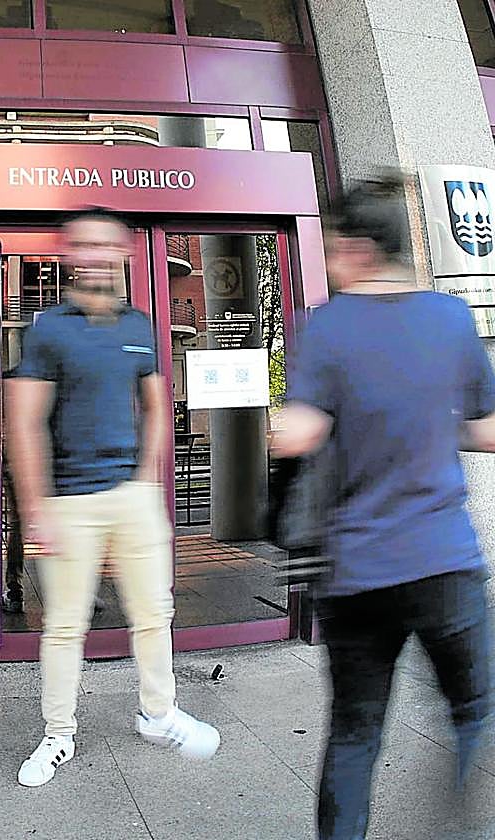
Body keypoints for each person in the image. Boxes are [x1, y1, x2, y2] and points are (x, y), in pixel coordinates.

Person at [272, 173, 495, 839]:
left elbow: (299, 435)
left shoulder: (327, 328)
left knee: (353, 732)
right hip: (443, 565)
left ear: (358, 248)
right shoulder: (451, 319)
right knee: (473, 700)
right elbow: (486, 430)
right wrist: (430, 418)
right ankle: (460, 804)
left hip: (357, 572)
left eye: (333, 247)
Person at [8, 209, 220, 788]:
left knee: (155, 613)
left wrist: (148, 483)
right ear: (69, 254)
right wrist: (36, 512)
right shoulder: (47, 328)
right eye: (85, 244)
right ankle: (57, 736)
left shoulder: (140, 326)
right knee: (64, 626)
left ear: (123, 252)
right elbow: (23, 423)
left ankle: (158, 714)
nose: (96, 253)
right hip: (68, 502)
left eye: (107, 244)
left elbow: (156, 405)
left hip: (132, 496)